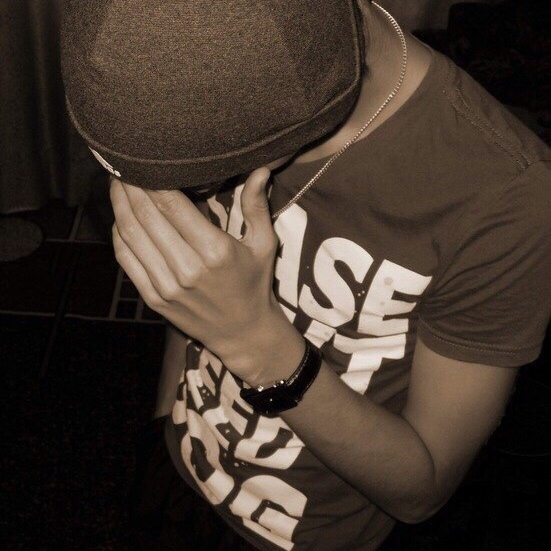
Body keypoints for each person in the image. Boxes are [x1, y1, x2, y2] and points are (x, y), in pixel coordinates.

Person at [60, 1, 551, 550]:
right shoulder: (181, 84)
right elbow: (190, 291)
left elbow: (422, 491)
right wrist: (163, 424)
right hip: (176, 466)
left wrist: (252, 340)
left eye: (198, 177)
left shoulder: (506, 198)